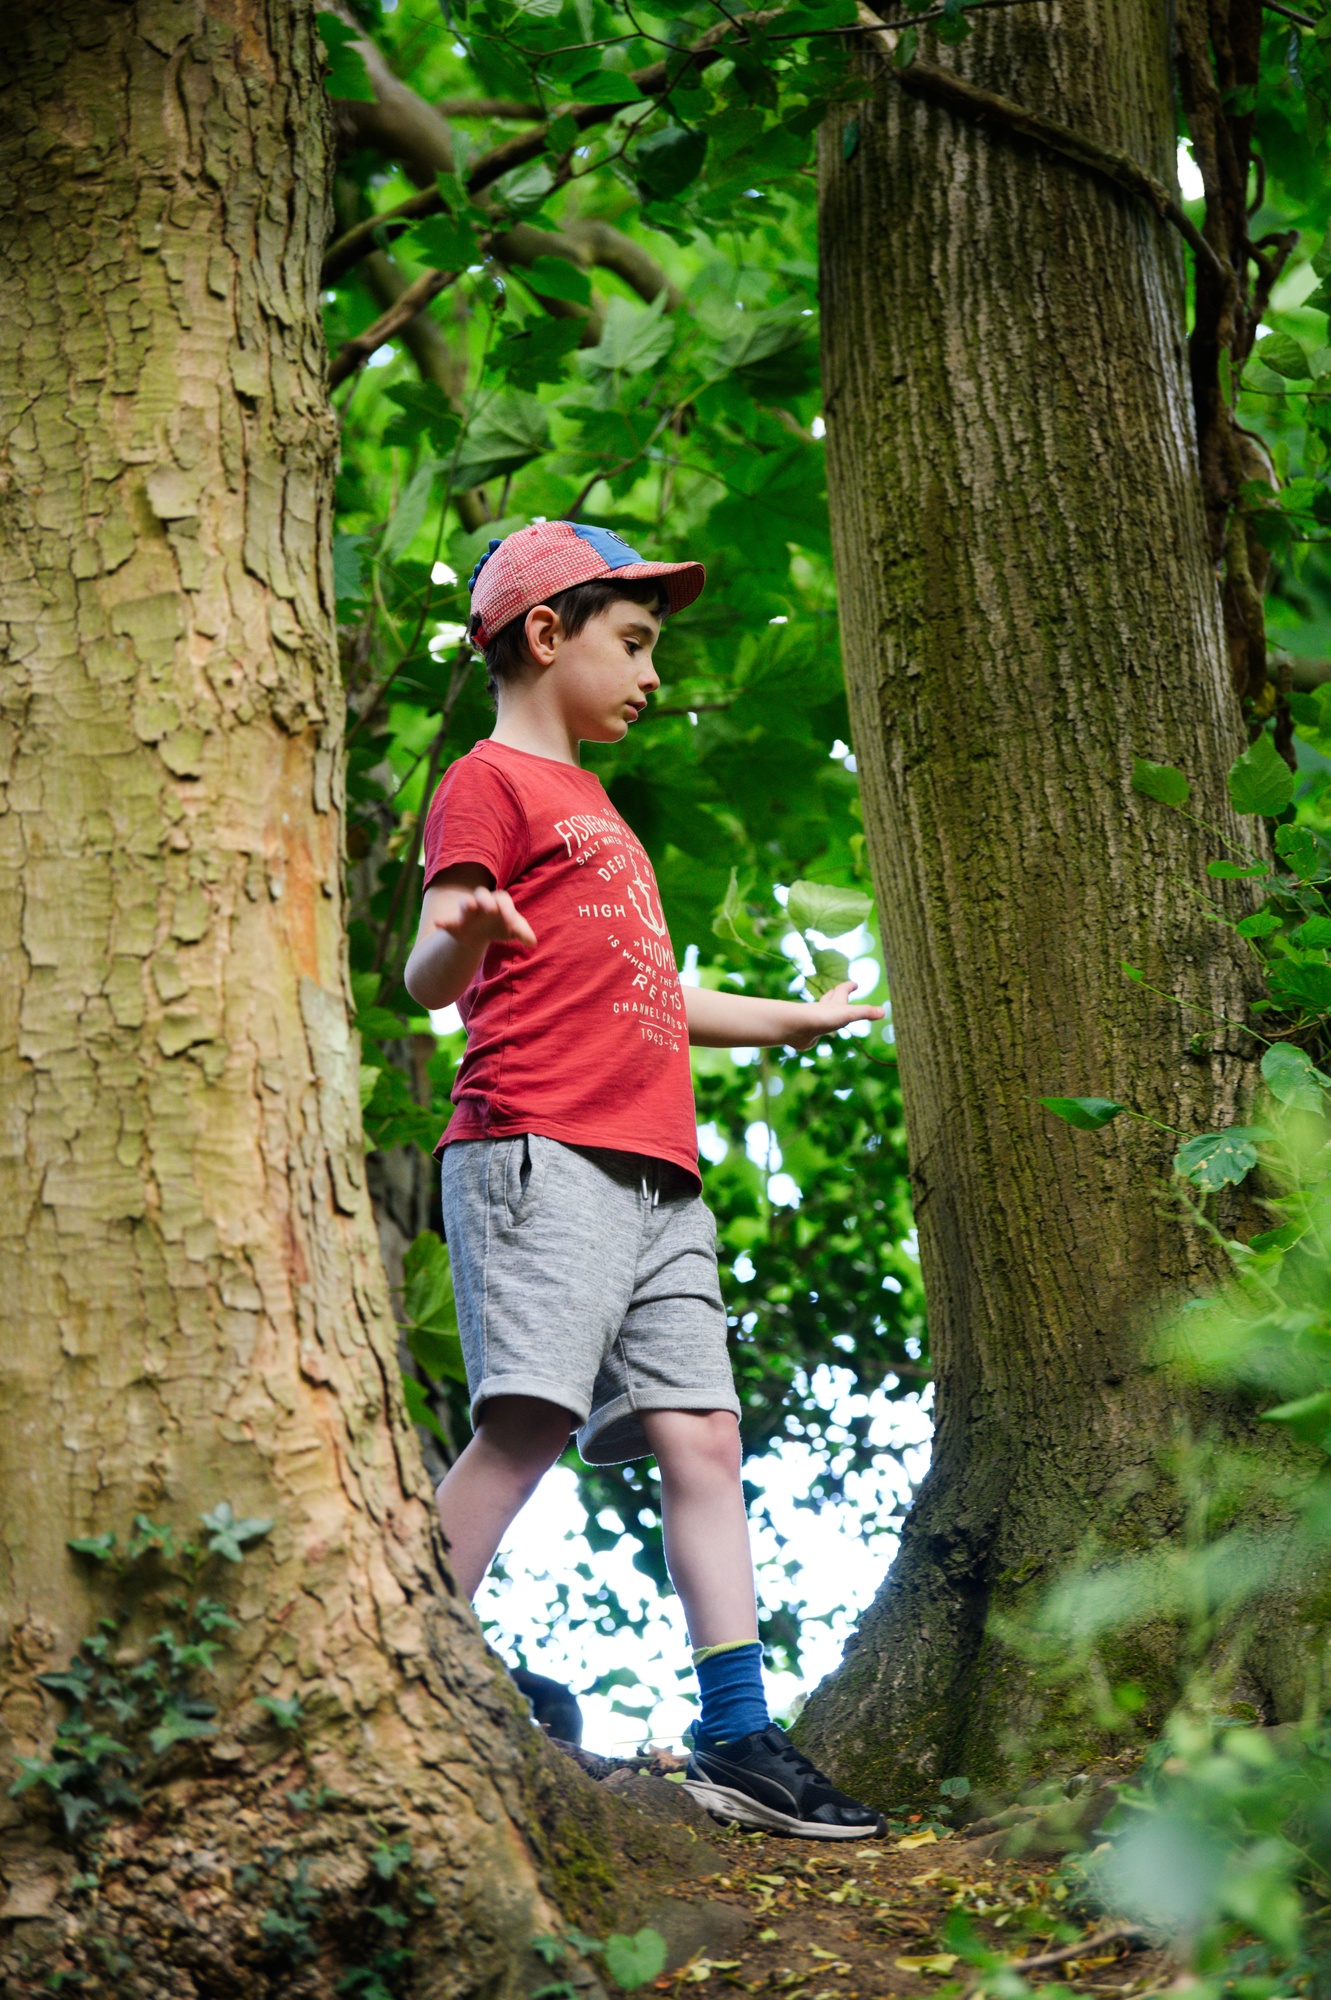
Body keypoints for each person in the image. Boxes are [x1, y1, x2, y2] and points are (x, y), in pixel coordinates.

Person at [404, 519, 886, 1838]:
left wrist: (789, 1019)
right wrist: (465, 936)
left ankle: (736, 1732)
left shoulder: (601, 810)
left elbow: (652, 994)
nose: (652, 674)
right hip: (537, 1144)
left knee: (703, 1434)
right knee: (528, 1420)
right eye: (632, 643)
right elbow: (429, 973)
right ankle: (408, 1651)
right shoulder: (488, 784)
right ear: (544, 634)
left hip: (657, 1173)